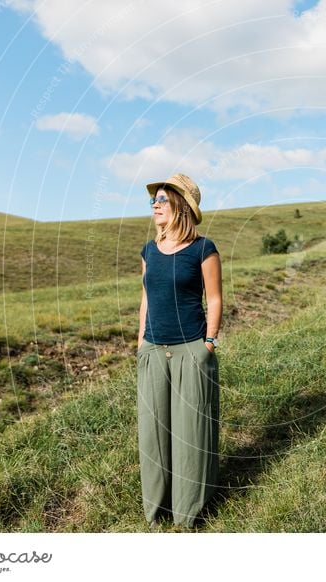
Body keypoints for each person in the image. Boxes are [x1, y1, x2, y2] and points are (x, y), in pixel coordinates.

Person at [136, 173, 222, 530]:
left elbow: (215, 298)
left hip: (191, 349)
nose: (155, 205)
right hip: (154, 350)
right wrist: (141, 343)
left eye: (162, 200)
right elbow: (144, 300)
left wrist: (209, 344)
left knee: (191, 436)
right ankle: (156, 511)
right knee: (154, 435)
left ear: (181, 207)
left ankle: (190, 515)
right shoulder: (149, 251)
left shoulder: (204, 249)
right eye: (153, 200)